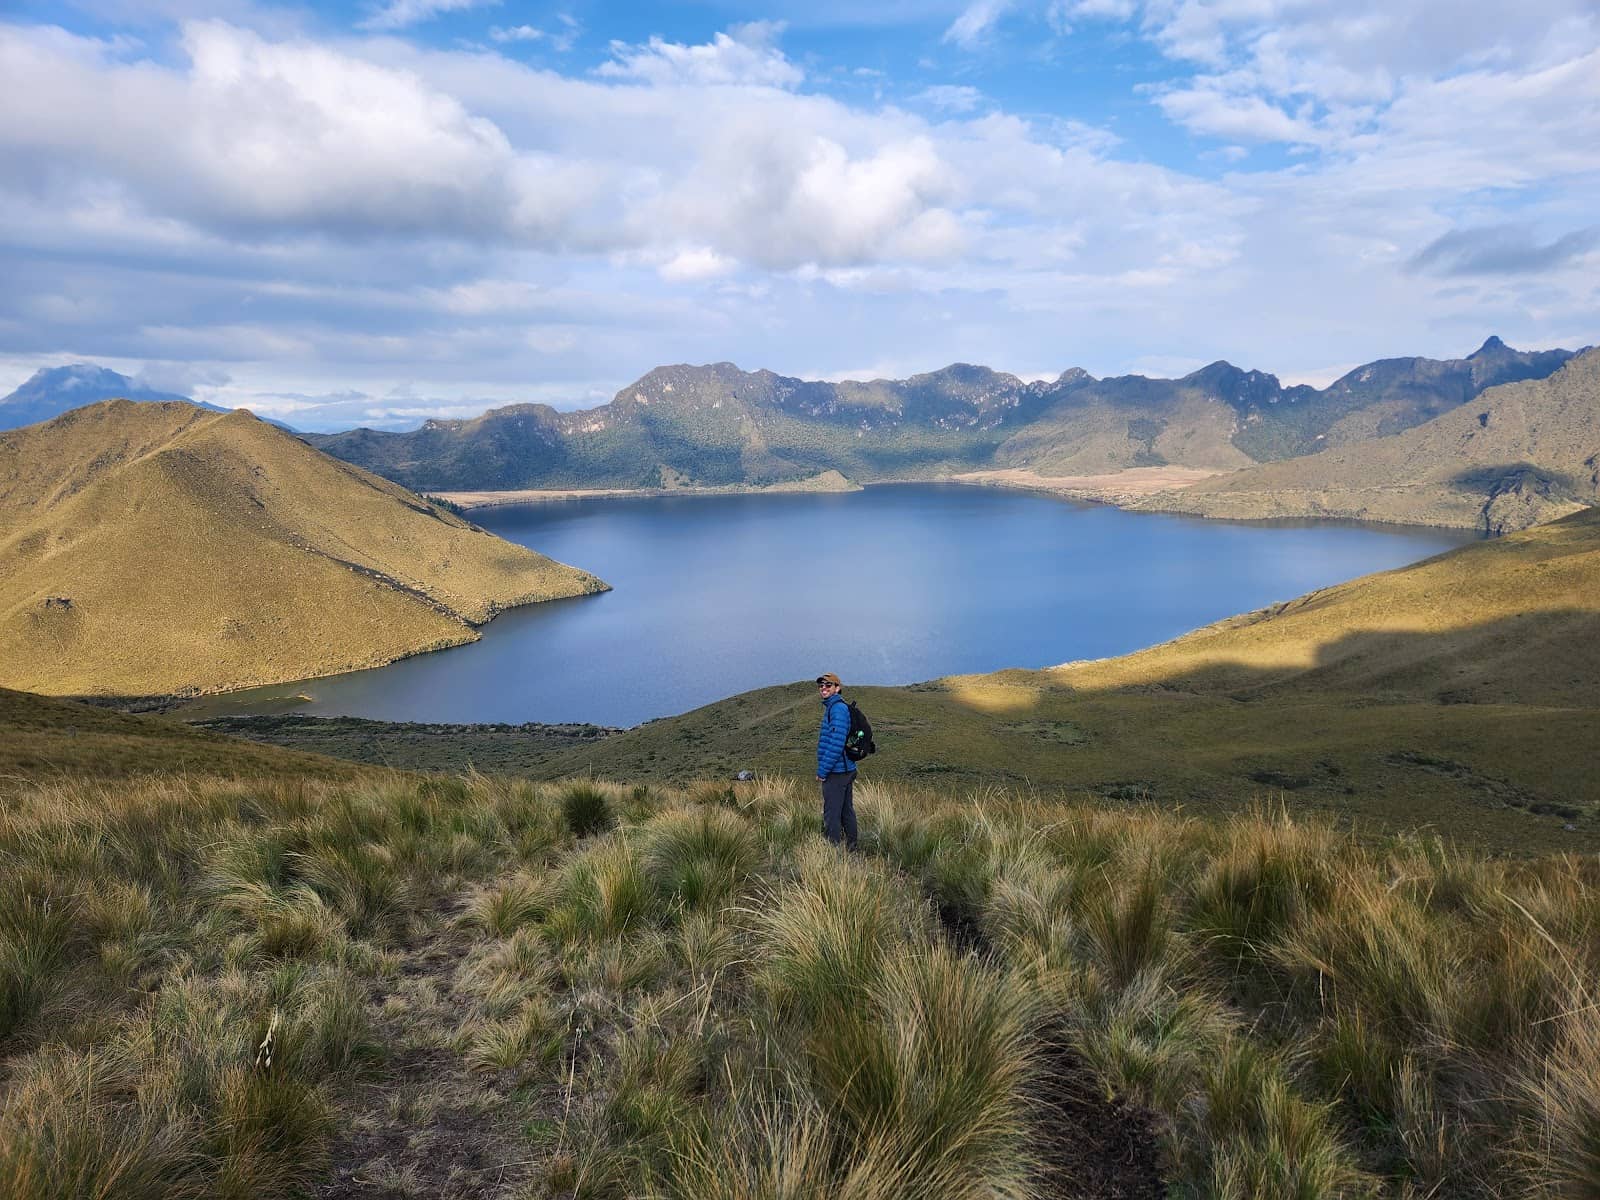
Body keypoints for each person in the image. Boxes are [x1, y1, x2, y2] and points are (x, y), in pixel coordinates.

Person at [815, 672, 858, 850]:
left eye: (828, 685)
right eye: (821, 686)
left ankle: (832, 851)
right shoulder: (833, 707)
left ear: (837, 688)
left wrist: (823, 771)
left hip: (837, 771)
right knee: (846, 810)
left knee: (832, 813)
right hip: (845, 769)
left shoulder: (837, 709)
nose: (823, 688)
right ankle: (852, 847)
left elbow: (836, 743)